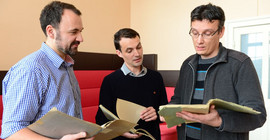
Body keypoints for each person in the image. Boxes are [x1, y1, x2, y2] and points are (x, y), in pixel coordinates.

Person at [168, 3, 267, 140]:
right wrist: (168, 111)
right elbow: (177, 99)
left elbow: (258, 116)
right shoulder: (187, 64)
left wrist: (220, 121)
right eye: (195, 33)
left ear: (221, 32)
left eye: (207, 33)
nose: (199, 40)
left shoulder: (240, 63)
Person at [1, 1, 93, 140]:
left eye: (81, 31)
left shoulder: (66, 64)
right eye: (74, 32)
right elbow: (12, 131)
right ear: (51, 31)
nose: (81, 38)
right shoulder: (30, 69)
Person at [95, 28, 168, 140]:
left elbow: (165, 112)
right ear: (119, 53)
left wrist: (157, 115)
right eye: (130, 51)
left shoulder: (156, 77)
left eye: (139, 47)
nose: (137, 53)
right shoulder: (110, 81)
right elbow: (101, 119)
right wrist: (120, 131)